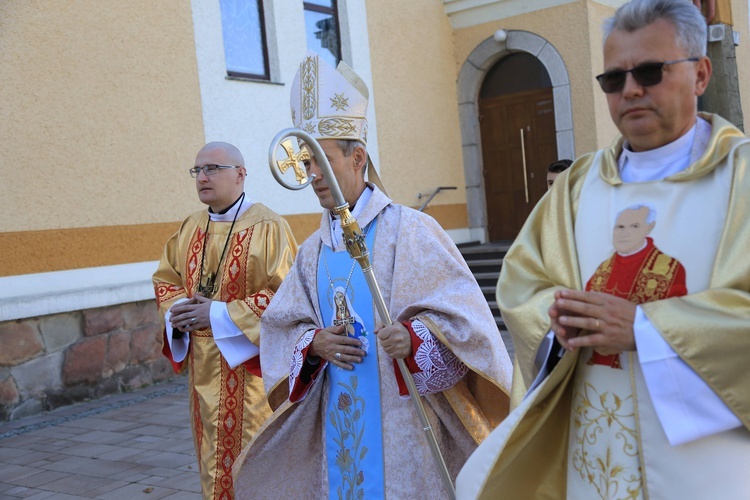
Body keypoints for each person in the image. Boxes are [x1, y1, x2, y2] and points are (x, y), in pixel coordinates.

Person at [457, 0, 750, 498]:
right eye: (614, 79)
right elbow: (524, 285)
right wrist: (557, 320)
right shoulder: (576, 187)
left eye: (651, 71)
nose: (631, 89)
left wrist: (646, 329)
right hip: (593, 460)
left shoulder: (740, 179)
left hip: (708, 466)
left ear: (701, 74)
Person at [233, 51, 513, 499]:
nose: (313, 176)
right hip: (339, 417)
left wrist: (418, 338)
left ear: (357, 156)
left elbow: (468, 318)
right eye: (306, 165)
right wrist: (314, 343)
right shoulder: (312, 252)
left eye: (321, 162)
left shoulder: (411, 230)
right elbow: (280, 328)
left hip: (404, 423)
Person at [152, 141, 298, 499]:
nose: (202, 177)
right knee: (210, 458)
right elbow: (166, 280)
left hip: (250, 373)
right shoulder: (190, 227)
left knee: (252, 462)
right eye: (197, 170)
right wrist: (178, 311)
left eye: (213, 169)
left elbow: (287, 296)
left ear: (240, 174)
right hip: (203, 370)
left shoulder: (268, 226)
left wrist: (217, 313)